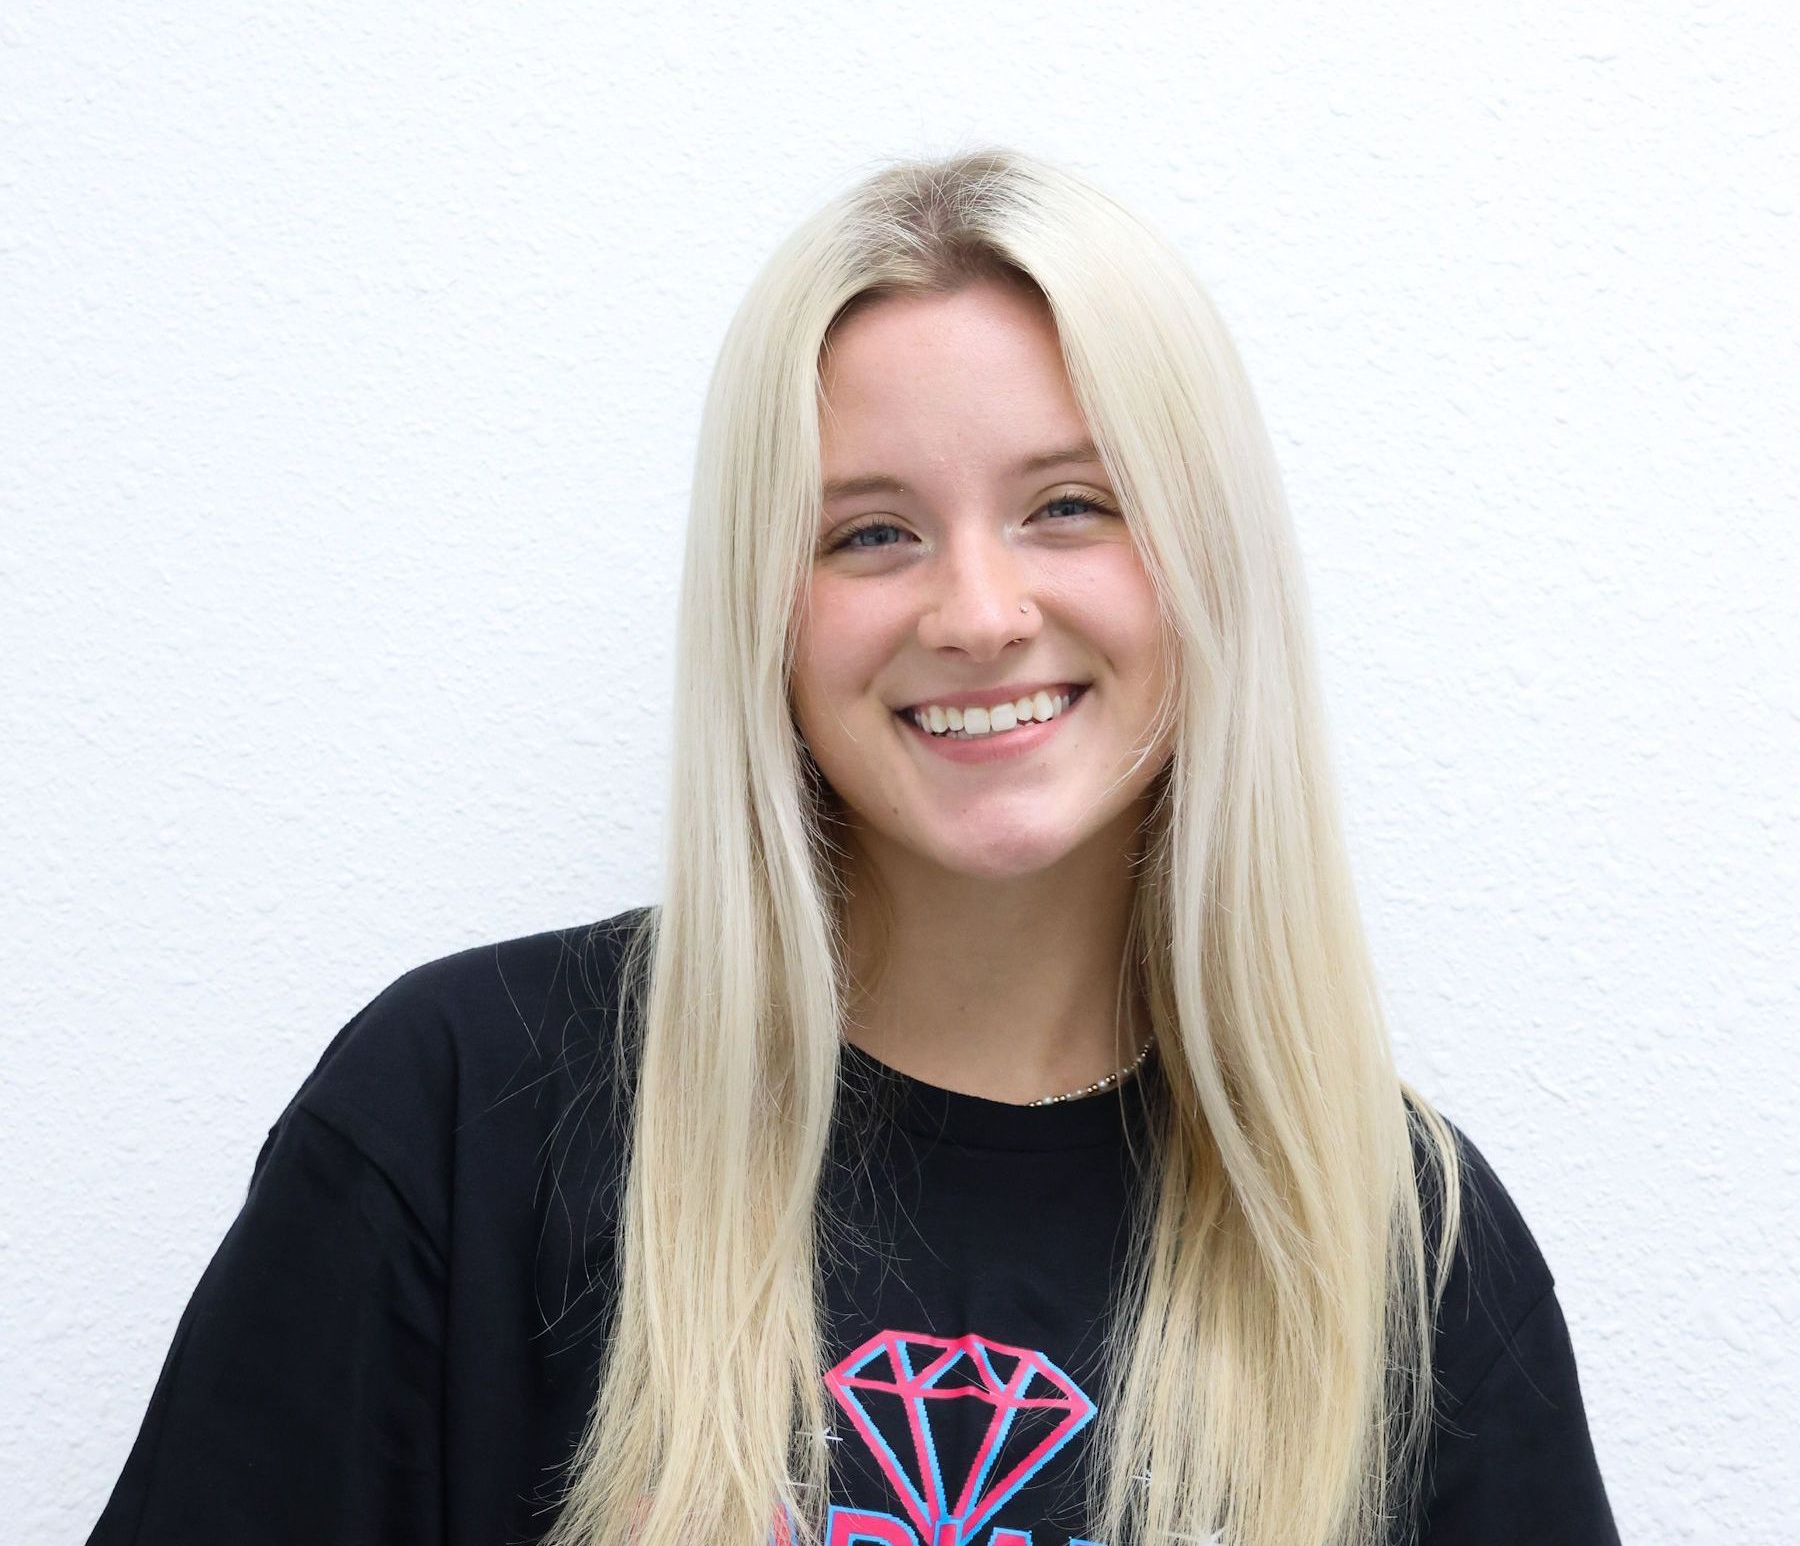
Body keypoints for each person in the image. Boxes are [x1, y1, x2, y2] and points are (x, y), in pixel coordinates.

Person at [85, 150, 1619, 1546]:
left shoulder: (1403, 1251)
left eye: (1069, 506)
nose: (977, 612)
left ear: (1206, 569)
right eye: (870, 532)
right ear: (769, 606)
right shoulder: (463, 1115)